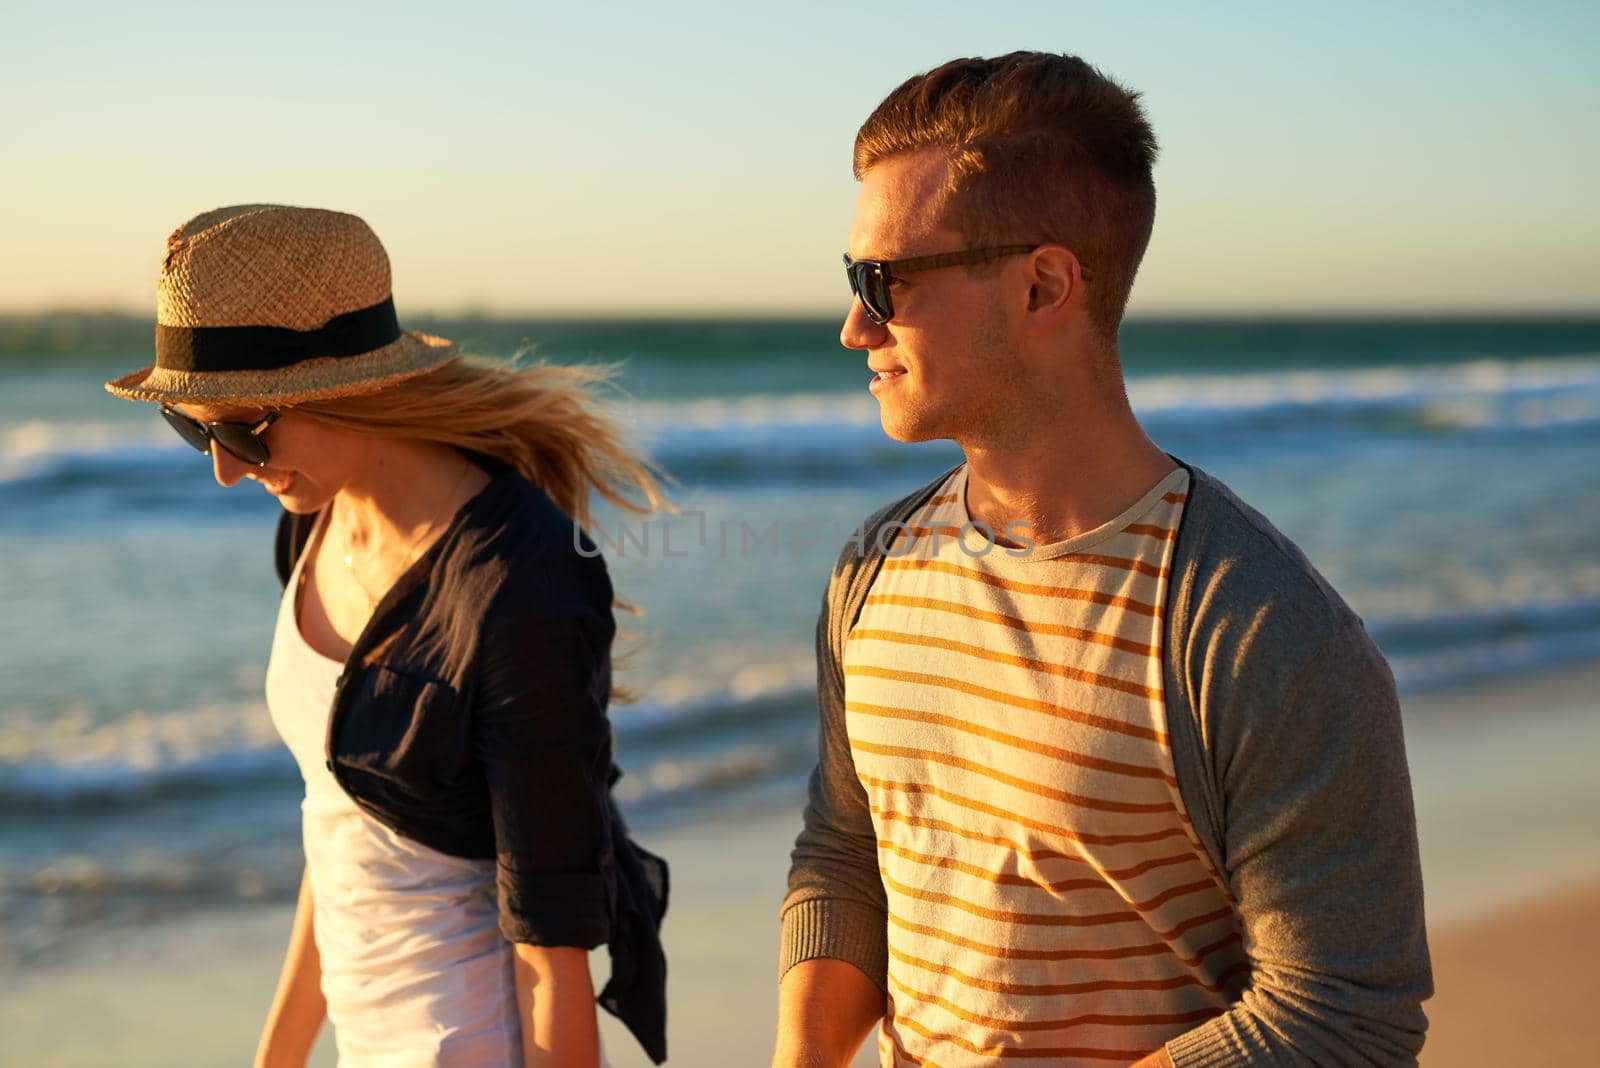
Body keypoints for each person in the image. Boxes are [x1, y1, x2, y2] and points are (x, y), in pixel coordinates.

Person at [776, 53, 1431, 1067]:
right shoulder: (873, 569)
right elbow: (848, 858)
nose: (854, 323)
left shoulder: (1252, 624)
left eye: (885, 280)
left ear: (1043, 285)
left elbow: (1344, 1016)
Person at [105, 204, 669, 1068]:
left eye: (243, 428)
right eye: (194, 427)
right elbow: (338, 828)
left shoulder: (520, 585)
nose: (225, 469)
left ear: (348, 384)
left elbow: (553, 960)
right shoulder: (313, 515)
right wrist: (279, 1055)